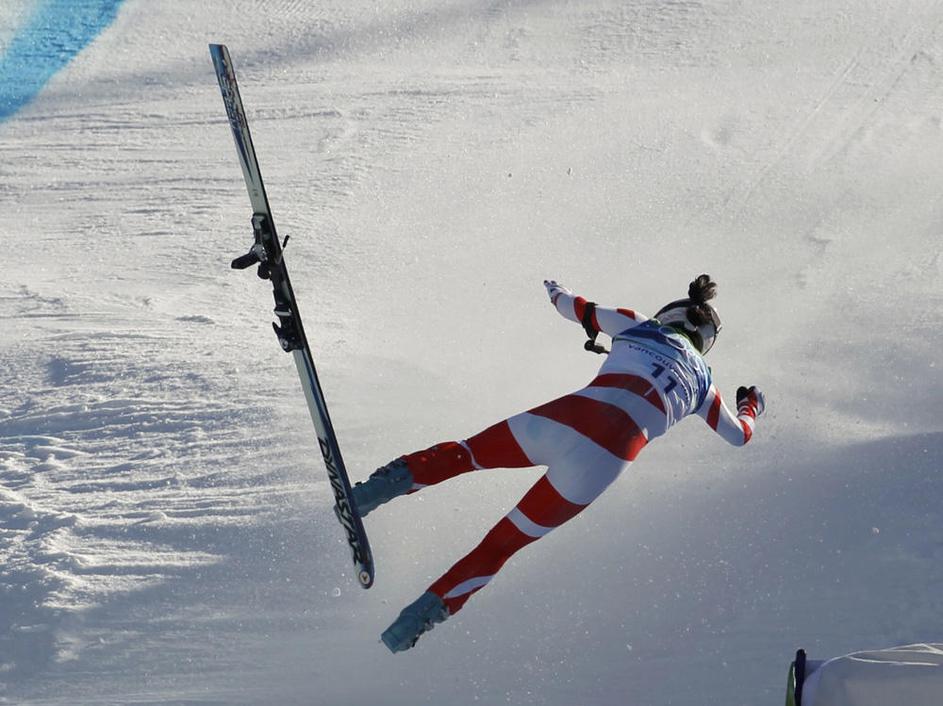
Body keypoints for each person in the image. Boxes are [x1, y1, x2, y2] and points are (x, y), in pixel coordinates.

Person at [353, 274, 766, 653]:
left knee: (466, 454)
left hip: (568, 419)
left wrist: (554, 288)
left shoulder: (640, 324)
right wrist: (751, 406)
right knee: (499, 547)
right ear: (705, 342)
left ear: (670, 314)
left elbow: (571, 306)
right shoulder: (704, 386)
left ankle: (369, 494)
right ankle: (411, 625)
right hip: (600, 464)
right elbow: (739, 435)